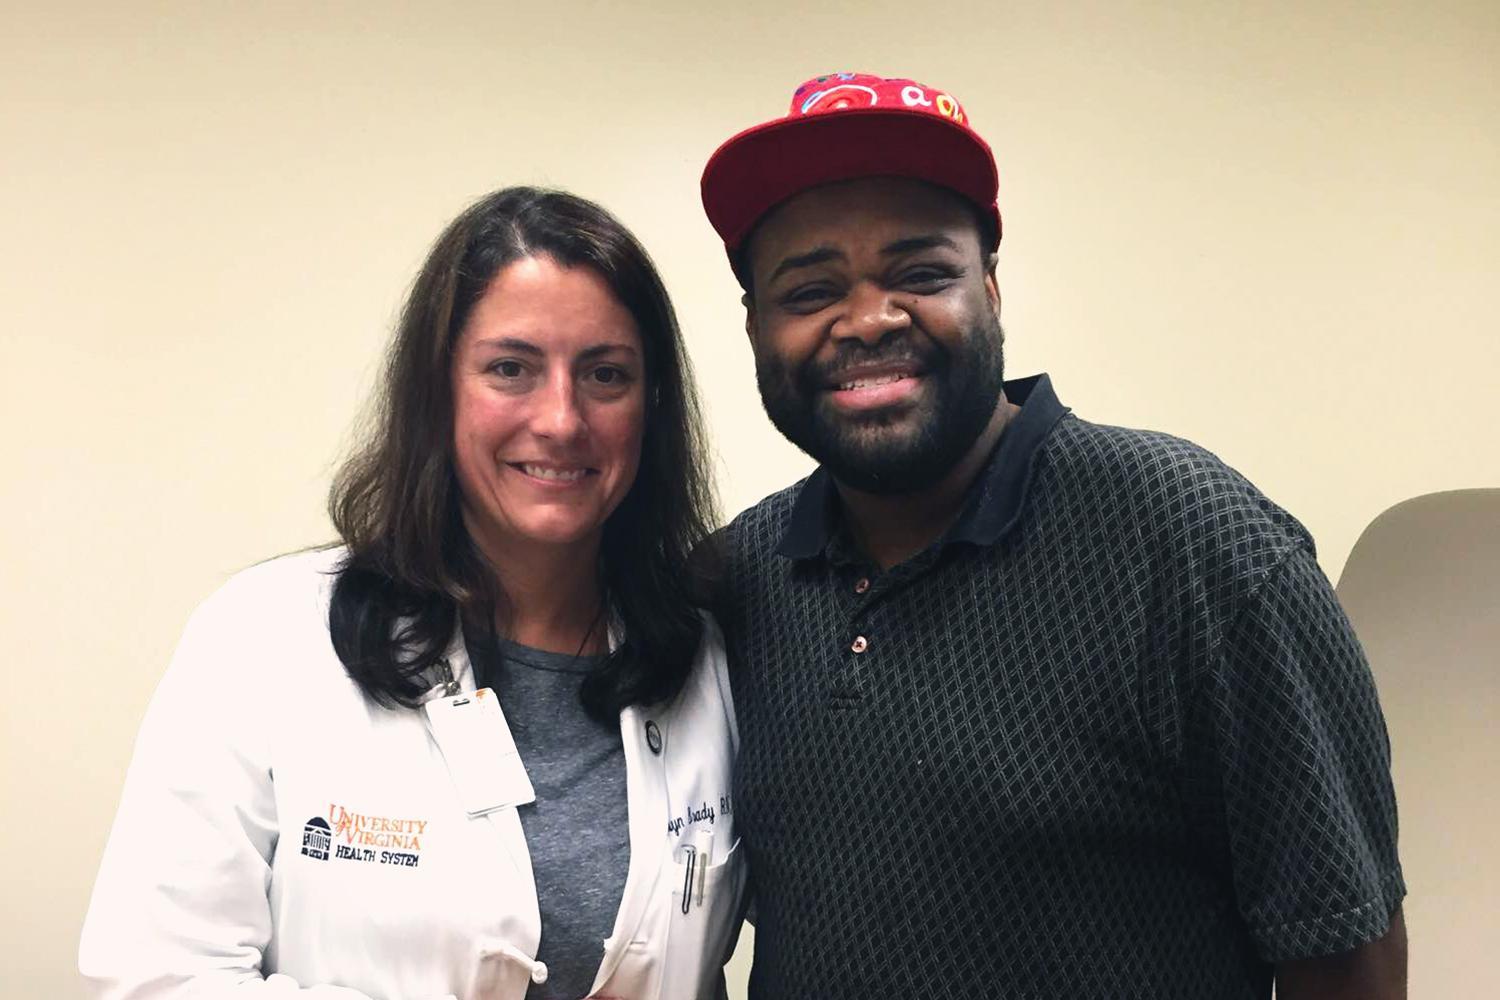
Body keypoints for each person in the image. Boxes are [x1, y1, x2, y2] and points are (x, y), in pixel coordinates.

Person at [700, 73, 1406, 999]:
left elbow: (1347, 952)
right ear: (755, 327)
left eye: (920, 272)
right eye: (810, 289)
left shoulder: (1200, 546)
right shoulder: (733, 581)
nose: (869, 318)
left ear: (990, 288)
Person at [80, 187, 745, 1000]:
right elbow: (159, 975)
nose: (563, 419)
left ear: (652, 407)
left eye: (606, 375)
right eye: (511, 369)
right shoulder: (263, 637)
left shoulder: (704, 659)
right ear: (439, 391)